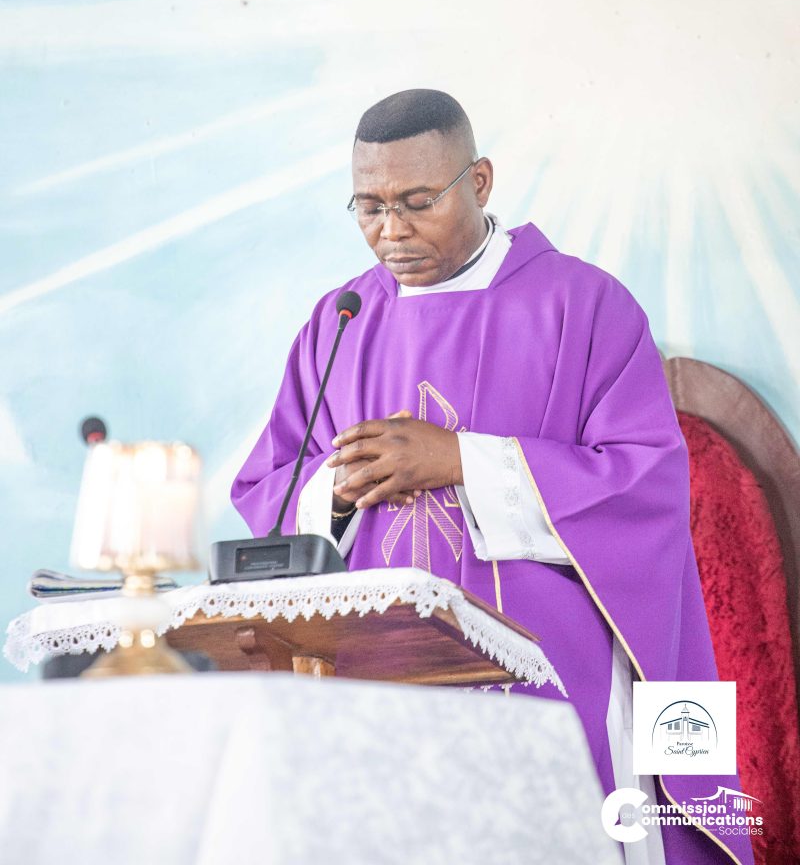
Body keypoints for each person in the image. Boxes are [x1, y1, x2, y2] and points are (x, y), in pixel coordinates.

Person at [232, 89, 753, 865]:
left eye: (417, 202)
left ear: (478, 182)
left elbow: (644, 488)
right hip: (380, 676)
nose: (391, 230)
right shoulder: (340, 320)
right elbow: (268, 487)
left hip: (551, 672)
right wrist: (335, 488)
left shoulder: (584, 305)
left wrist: (461, 461)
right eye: (369, 207)